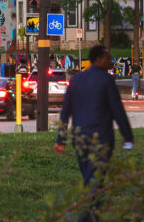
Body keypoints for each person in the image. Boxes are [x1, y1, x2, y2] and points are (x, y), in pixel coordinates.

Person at [55, 45, 134, 222]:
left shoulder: (76, 80)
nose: (110, 60)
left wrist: (61, 139)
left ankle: (92, 216)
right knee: (94, 182)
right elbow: (117, 110)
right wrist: (127, 136)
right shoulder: (106, 80)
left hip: (80, 138)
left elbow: (65, 111)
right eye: (108, 58)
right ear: (98, 58)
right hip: (101, 139)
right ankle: (84, 217)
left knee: (90, 179)